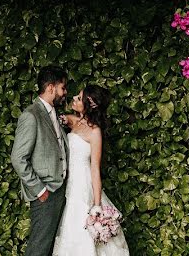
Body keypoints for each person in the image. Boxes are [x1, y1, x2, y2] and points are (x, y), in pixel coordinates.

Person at [52, 85, 129, 255]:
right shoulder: (72, 121)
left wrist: (96, 204)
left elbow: (95, 168)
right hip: (68, 184)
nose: (73, 98)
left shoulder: (95, 132)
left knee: (83, 233)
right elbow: (56, 121)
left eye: (79, 98)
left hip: (83, 185)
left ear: (90, 105)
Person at [11, 65, 70, 256]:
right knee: (39, 247)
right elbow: (18, 158)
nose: (65, 93)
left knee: (51, 246)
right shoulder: (31, 115)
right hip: (46, 192)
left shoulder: (53, 113)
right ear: (51, 87)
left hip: (60, 189)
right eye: (63, 87)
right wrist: (40, 189)